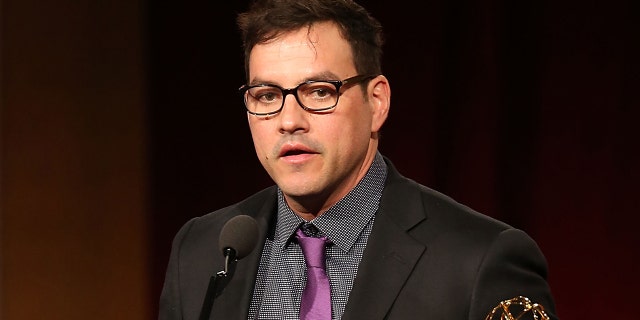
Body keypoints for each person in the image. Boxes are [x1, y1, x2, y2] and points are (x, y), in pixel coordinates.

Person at [158, 0, 558, 319]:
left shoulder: (479, 260)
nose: (289, 121)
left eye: (319, 91)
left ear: (377, 102)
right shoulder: (201, 251)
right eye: (267, 96)